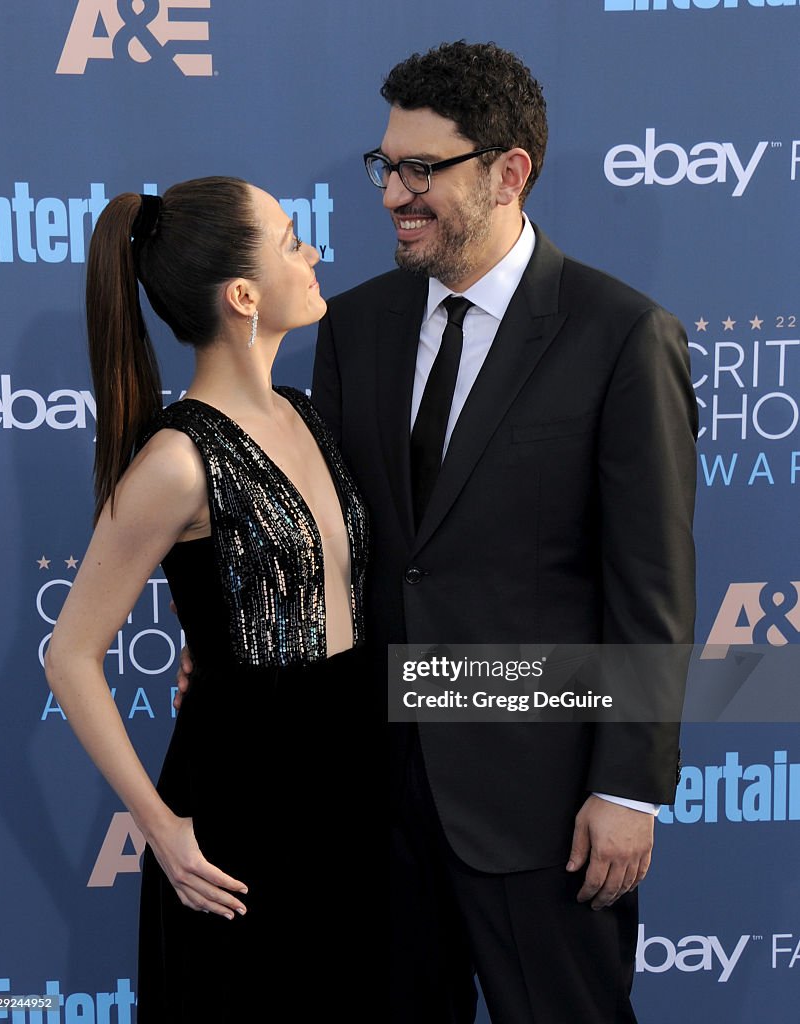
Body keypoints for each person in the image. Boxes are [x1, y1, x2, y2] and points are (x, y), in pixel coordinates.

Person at [309, 41, 697, 1024]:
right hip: (382, 799)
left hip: (544, 806)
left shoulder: (617, 333)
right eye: (385, 166)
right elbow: (344, 554)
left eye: (421, 170)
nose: (393, 192)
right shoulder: (354, 327)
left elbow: (649, 584)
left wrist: (628, 789)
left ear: (508, 171)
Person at [44, 177, 374, 1022]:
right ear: (242, 295)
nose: (313, 255)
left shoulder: (304, 412)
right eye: (293, 240)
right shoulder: (177, 461)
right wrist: (160, 826)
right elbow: (70, 655)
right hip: (244, 802)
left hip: (353, 782)